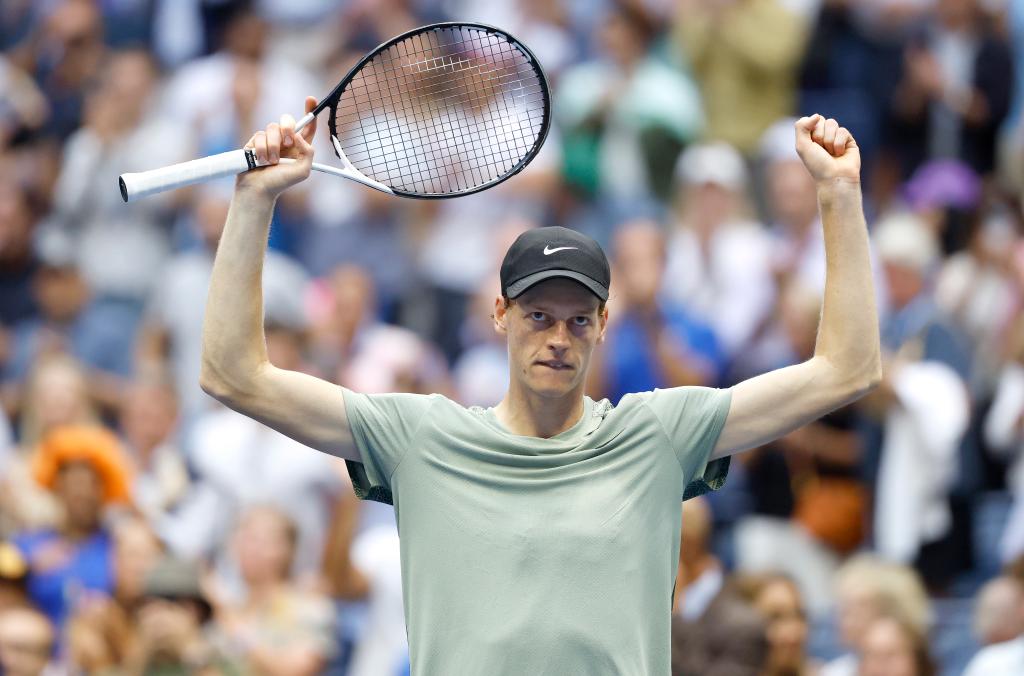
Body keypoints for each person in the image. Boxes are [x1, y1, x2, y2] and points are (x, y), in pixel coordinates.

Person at [197, 96, 880, 674]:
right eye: (538, 316)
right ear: (499, 314)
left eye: (579, 319)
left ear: (605, 324)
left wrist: (839, 193)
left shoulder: (657, 434)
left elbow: (845, 370)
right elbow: (234, 376)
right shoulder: (421, 436)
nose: (558, 337)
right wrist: (255, 198)